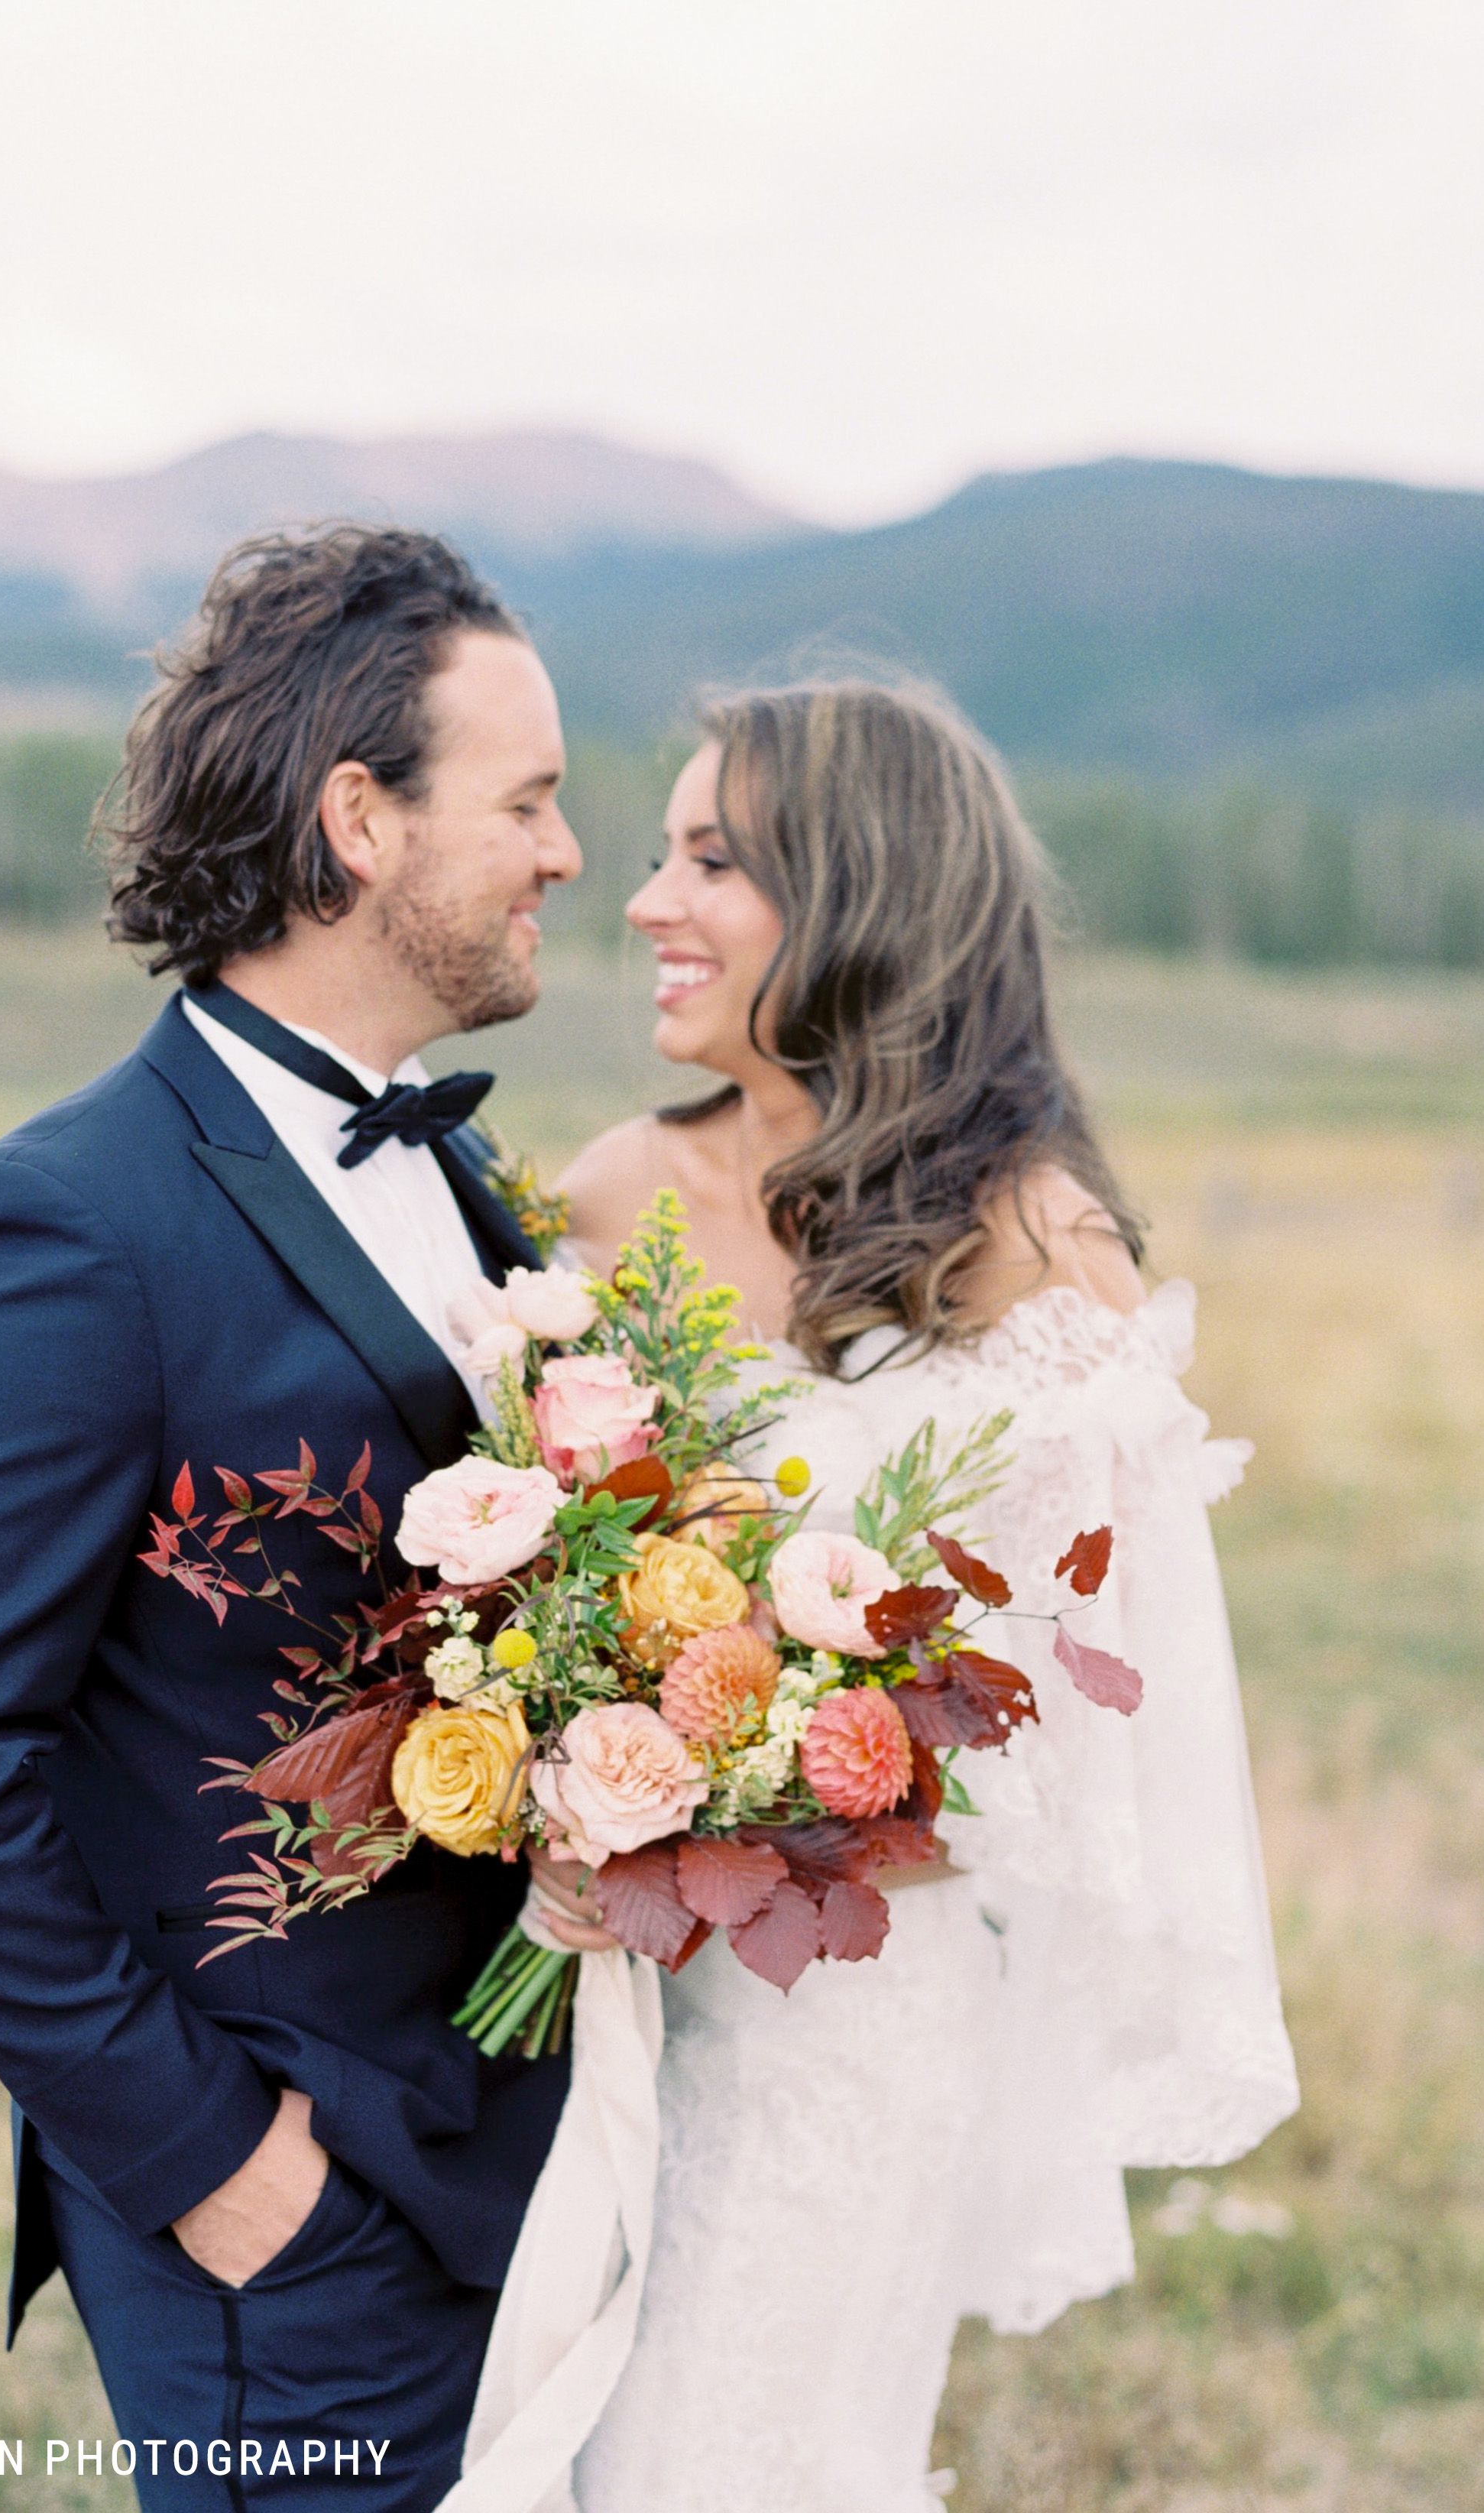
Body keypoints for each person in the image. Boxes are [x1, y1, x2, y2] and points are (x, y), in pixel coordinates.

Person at [0, 525, 582, 2512]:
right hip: (285, 2223)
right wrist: (215, 2171)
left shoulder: (473, 1192)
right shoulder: (74, 1227)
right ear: (359, 820)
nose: (565, 853)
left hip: (509, 2154)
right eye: (528, 801)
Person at [543, 679, 1299, 2512]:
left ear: (862, 894)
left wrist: (727, 1799)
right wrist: (563, 1769)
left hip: (838, 2030)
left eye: (712, 860)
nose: (645, 899)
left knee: (713, 2461)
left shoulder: (1034, 1255)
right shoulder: (603, 1200)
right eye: (656, 850)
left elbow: (1042, 1745)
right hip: (574, 2006)